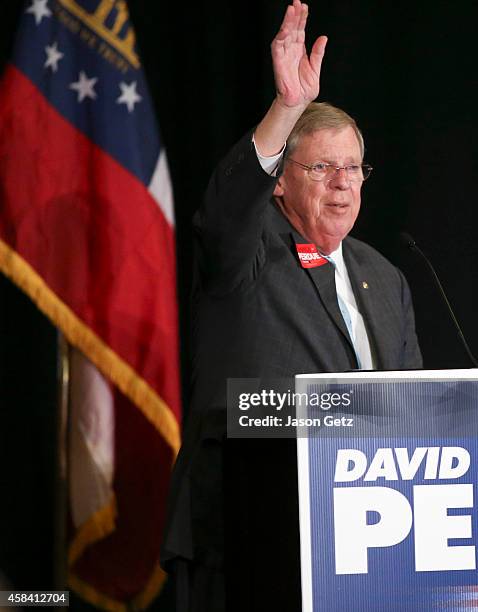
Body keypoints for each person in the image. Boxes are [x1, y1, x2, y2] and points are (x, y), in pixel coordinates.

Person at [162, 1, 422, 610]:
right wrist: (286, 110)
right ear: (280, 178)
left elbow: (413, 412)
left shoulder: (385, 278)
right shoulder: (246, 252)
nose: (344, 183)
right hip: (245, 537)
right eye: (324, 167)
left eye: (354, 168)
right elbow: (226, 213)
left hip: (366, 546)